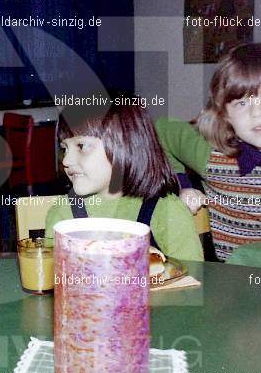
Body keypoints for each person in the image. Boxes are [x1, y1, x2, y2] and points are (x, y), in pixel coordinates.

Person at [156, 43, 261, 261]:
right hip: (234, 282)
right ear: (225, 115)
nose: (257, 112)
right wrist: (183, 184)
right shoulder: (214, 158)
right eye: (241, 102)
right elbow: (161, 128)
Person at [45, 99, 204, 262]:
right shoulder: (64, 212)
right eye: (65, 148)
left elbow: (192, 280)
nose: (66, 160)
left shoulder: (166, 210)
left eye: (81, 146)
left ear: (125, 146)